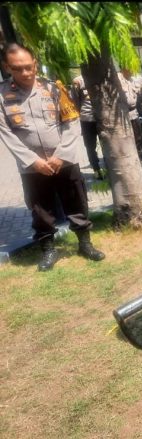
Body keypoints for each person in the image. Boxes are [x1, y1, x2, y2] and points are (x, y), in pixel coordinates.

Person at [0, 43, 105, 271]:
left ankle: (85, 244)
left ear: (36, 64)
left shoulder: (54, 88)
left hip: (64, 161)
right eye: (18, 69)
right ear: (7, 67)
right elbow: (5, 133)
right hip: (32, 168)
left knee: (77, 202)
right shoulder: (2, 95)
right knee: (40, 210)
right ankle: (48, 250)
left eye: (29, 67)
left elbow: (71, 121)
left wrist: (62, 154)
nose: (26, 73)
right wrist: (32, 161)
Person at [71, 74, 105, 180]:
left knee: (106, 143)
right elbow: (75, 101)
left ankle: (109, 166)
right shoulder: (78, 81)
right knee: (90, 146)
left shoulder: (100, 76)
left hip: (103, 118)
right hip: (87, 119)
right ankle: (96, 169)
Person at [120, 68, 142, 160]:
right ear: (123, 68)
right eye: (129, 68)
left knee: (139, 135)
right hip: (122, 114)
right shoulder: (118, 80)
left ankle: (139, 156)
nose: (131, 70)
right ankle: (127, 157)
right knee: (125, 137)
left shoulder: (136, 80)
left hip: (135, 112)